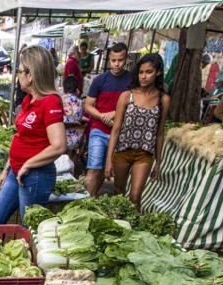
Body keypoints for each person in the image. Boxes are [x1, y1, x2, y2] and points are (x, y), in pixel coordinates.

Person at [0, 46, 66, 224]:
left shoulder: (50, 102)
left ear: (31, 76)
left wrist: (28, 164)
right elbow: (21, 136)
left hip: (35, 176)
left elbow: (59, 145)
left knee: (28, 229)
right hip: (16, 172)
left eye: (20, 71)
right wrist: (7, 169)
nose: (18, 75)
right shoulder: (28, 99)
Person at [104, 53, 170, 210]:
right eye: (141, 72)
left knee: (135, 197)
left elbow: (160, 133)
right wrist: (109, 159)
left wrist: (158, 162)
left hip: (144, 154)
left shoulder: (163, 99)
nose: (144, 76)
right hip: (123, 151)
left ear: (158, 73)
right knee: (118, 193)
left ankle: (133, 229)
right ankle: (117, 227)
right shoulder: (127, 96)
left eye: (148, 72)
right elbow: (116, 129)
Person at [83, 42, 130, 196]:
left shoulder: (132, 80)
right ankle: (86, 205)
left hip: (120, 133)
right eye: (114, 60)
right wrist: (103, 116)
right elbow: (88, 105)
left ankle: (93, 199)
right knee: (93, 169)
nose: (117, 64)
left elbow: (134, 103)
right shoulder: (100, 80)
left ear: (126, 59)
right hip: (99, 130)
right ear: (109, 59)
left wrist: (114, 114)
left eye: (120, 60)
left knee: (105, 170)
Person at [61, 75, 84, 152]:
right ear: (76, 88)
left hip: (60, 139)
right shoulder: (80, 102)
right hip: (76, 140)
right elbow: (80, 119)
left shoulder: (59, 100)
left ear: (64, 88)